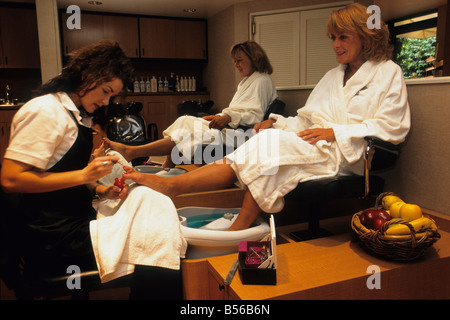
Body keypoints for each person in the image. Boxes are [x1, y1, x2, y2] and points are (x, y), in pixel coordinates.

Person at [118, 3, 411, 231]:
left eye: (343, 37)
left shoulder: (388, 73)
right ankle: (238, 226)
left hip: (353, 153)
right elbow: (309, 118)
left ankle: (175, 187)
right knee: (272, 157)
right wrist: (278, 121)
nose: (335, 44)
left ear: (366, 35)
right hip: (318, 145)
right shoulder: (333, 75)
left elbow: (393, 127)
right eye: (333, 38)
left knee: (269, 146)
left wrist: (336, 133)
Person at [0, 40, 186, 299]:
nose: (107, 101)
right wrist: (84, 174)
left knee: (156, 226)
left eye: (112, 95)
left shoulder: (75, 115)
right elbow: (10, 179)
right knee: (158, 253)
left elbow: (63, 172)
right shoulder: (46, 111)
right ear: (87, 76)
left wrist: (100, 189)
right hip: (53, 239)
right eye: (106, 91)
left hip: (73, 222)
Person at [105, 40, 277, 168]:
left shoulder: (261, 80)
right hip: (231, 126)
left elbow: (256, 115)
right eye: (235, 61)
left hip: (241, 134)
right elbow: (240, 110)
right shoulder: (247, 81)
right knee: (184, 121)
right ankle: (164, 166)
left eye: (239, 60)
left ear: (254, 58)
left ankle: (137, 153)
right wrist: (220, 116)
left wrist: (227, 117)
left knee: (186, 125)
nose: (236, 65)